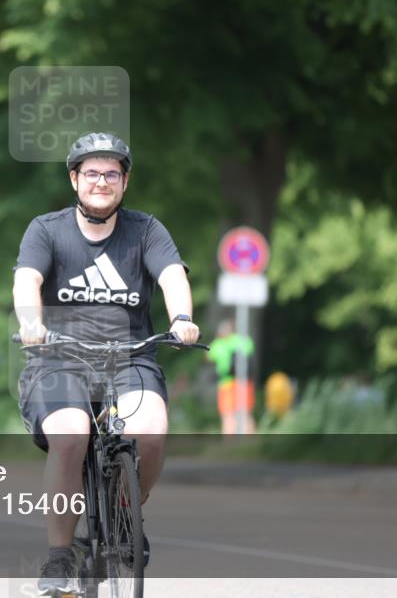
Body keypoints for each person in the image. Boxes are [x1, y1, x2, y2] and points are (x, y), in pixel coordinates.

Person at [13, 132, 199, 594]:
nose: (102, 181)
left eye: (111, 173)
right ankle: (60, 557)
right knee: (72, 433)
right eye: (92, 173)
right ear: (74, 178)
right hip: (58, 360)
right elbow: (27, 281)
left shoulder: (146, 230)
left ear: (125, 181)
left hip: (129, 357)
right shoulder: (46, 229)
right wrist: (32, 323)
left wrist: (183, 318)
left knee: (151, 430)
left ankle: (124, 514)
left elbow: (172, 274)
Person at [207, 320, 255, 434]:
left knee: (228, 415)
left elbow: (209, 357)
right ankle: (251, 443)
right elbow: (250, 349)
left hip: (226, 383)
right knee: (245, 413)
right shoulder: (242, 340)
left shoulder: (218, 344)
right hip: (244, 382)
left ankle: (229, 444)